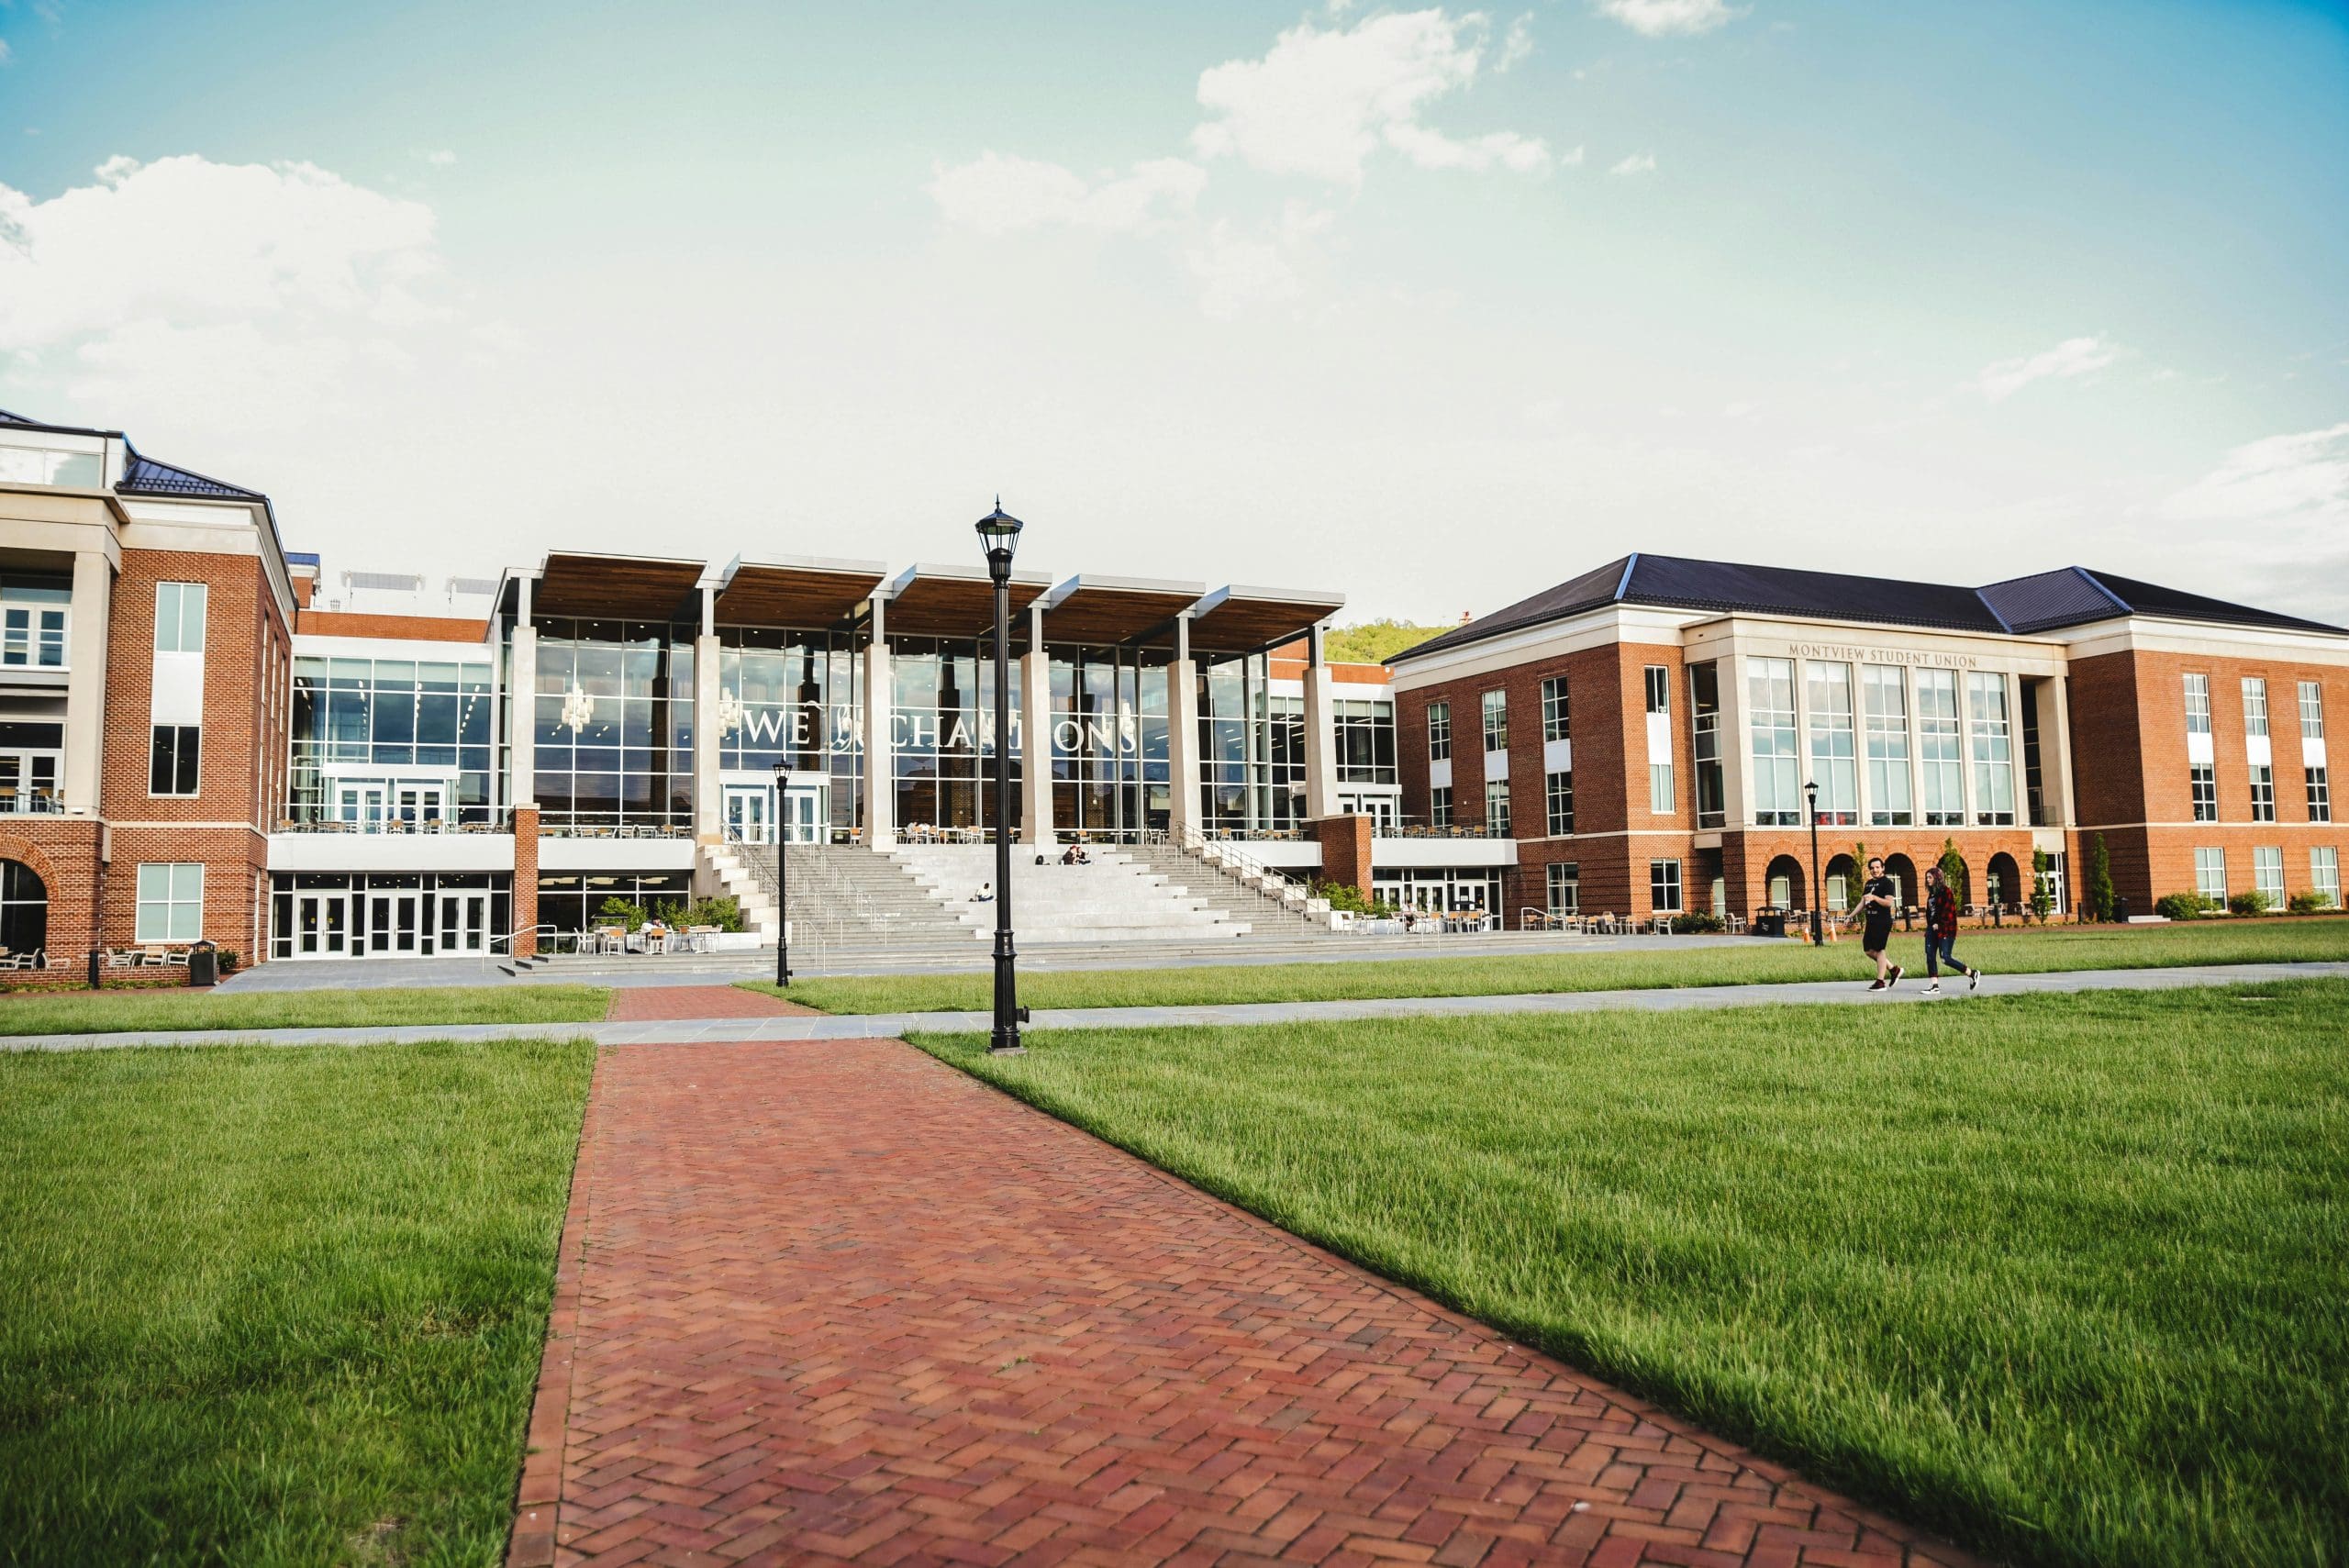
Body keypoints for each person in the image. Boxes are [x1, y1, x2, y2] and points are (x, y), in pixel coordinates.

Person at [1921, 866, 1981, 994]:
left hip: (1946, 930)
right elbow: (1930, 912)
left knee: (1945, 958)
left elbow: (1949, 912)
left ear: (1937, 878)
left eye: (1930, 877)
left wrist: (1940, 924)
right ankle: (1935, 986)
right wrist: (1930, 926)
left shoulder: (1946, 892)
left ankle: (1972, 973)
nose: (1927, 880)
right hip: (1932, 929)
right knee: (1930, 955)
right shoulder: (1932, 893)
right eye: (1926, 878)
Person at [1855, 856, 1902, 990]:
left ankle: (1880, 982)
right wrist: (1850, 916)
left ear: (1882, 868)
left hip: (1882, 921)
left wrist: (1875, 897)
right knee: (1868, 950)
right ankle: (1893, 970)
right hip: (1871, 921)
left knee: (1880, 950)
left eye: (1877, 867)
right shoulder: (1869, 883)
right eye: (1872, 868)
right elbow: (1862, 902)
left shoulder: (1887, 883)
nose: (1875, 870)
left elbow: (1888, 903)